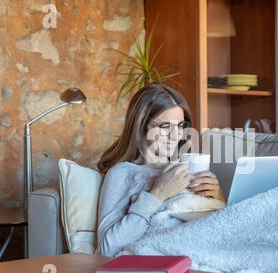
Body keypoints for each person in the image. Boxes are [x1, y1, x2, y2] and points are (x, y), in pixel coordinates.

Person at [96, 84, 225, 257]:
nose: (176, 135)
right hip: (175, 252)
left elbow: (218, 225)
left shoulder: (185, 166)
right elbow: (107, 249)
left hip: (209, 246)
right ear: (141, 125)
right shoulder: (123, 173)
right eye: (165, 126)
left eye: (180, 126)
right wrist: (157, 194)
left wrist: (218, 197)